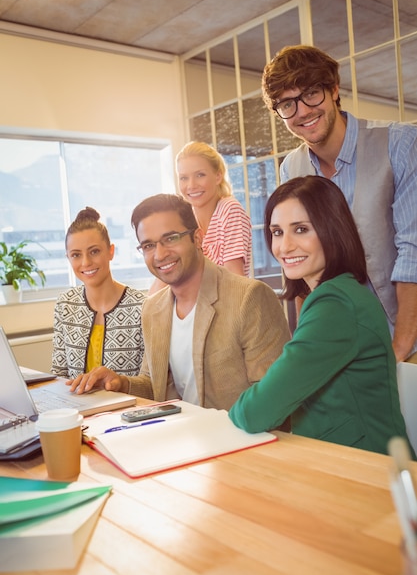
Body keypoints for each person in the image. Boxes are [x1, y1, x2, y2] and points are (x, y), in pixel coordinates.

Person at [228, 176, 414, 456]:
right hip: (347, 464)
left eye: (301, 229)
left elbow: (255, 413)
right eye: (277, 232)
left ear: (333, 230)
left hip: (370, 477)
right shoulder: (343, 293)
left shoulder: (335, 304)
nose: (285, 246)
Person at [261, 44, 417, 363]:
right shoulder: (292, 168)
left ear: (333, 89)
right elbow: (303, 267)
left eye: (311, 93)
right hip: (344, 344)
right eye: (287, 104)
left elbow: (412, 249)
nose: (302, 111)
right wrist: (311, 345)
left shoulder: (399, 144)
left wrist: (400, 349)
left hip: (406, 339)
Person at [68, 194, 290, 411]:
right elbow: (153, 385)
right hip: (180, 438)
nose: (160, 254)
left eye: (171, 238)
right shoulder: (153, 308)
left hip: (238, 440)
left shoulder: (249, 298)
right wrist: (121, 383)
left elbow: (274, 399)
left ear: (197, 238)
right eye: (148, 246)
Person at [51, 207, 146, 379]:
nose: (86, 262)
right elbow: (59, 374)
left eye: (94, 251)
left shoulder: (142, 307)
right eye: (76, 255)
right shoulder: (65, 305)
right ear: (68, 258)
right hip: (77, 405)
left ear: (111, 251)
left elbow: (150, 381)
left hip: (131, 405)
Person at [148, 142, 252, 295]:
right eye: (184, 178)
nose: (191, 185)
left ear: (218, 175)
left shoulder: (229, 210)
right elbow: (165, 276)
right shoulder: (184, 218)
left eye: (200, 175)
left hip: (225, 309)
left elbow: (235, 279)